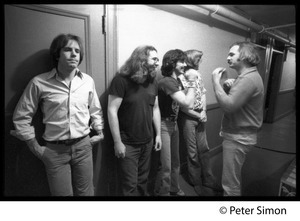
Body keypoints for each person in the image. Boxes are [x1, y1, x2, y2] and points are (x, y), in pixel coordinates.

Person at [10, 33, 104, 196]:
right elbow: (21, 117)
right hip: (54, 151)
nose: (74, 53)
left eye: (77, 50)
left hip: (84, 147)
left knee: (87, 193)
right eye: (68, 49)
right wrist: (36, 148)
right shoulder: (39, 82)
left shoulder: (87, 81)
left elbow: (95, 109)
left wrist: (100, 132)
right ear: (57, 54)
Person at [107, 45, 162, 196]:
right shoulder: (121, 80)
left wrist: (157, 135)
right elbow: (112, 110)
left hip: (147, 141)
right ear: (142, 59)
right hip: (128, 143)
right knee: (129, 186)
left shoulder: (153, 81)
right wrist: (117, 142)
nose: (158, 62)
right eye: (154, 59)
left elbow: (155, 108)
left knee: (142, 181)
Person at [211, 41, 264, 196]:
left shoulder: (247, 79)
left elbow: (228, 106)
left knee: (230, 184)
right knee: (232, 178)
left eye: (232, 54)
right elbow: (239, 102)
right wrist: (231, 87)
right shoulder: (248, 77)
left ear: (244, 55)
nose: (228, 58)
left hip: (238, 137)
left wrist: (215, 82)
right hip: (242, 135)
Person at [177, 49, 222, 196]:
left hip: (199, 116)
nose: (201, 62)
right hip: (188, 117)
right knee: (192, 152)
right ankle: (195, 181)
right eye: (199, 59)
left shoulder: (198, 75)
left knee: (204, 149)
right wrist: (197, 114)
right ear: (193, 60)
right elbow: (183, 106)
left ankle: (208, 179)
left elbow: (203, 92)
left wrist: (203, 111)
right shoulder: (181, 77)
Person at [154, 49, 198, 196]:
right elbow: (186, 102)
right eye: (182, 62)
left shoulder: (176, 80)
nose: (184, 65)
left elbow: (188, 102)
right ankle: (164, 193)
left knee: (175, 162)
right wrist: (192, 81)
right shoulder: (166, 81)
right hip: (164, 125)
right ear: (172, 63)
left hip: (173, 125)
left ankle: (174, 188)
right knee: (166, 165)